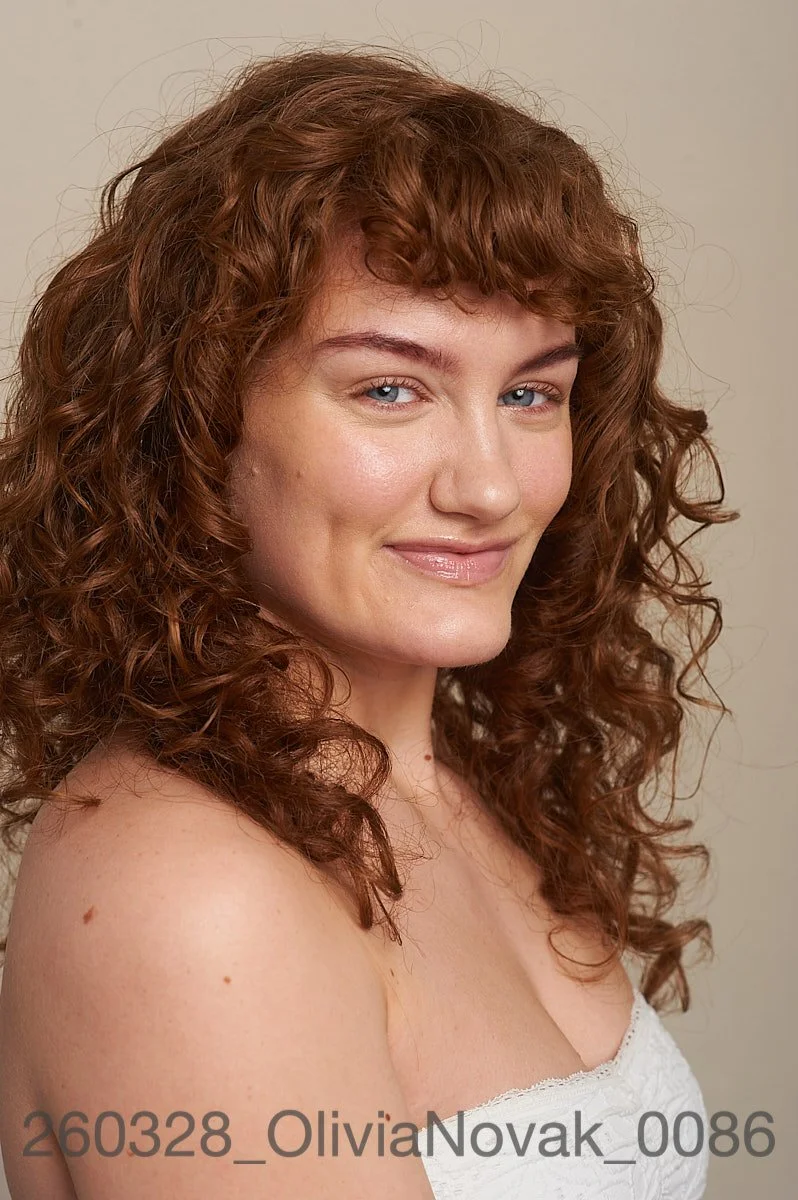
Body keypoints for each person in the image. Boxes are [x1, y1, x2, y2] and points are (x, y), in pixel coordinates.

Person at [0, 45, 736, 1199]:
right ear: (195, 419)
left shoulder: (445, 786)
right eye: (390, 388)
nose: (489, 487)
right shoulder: (193, 897)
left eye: (530, 393)